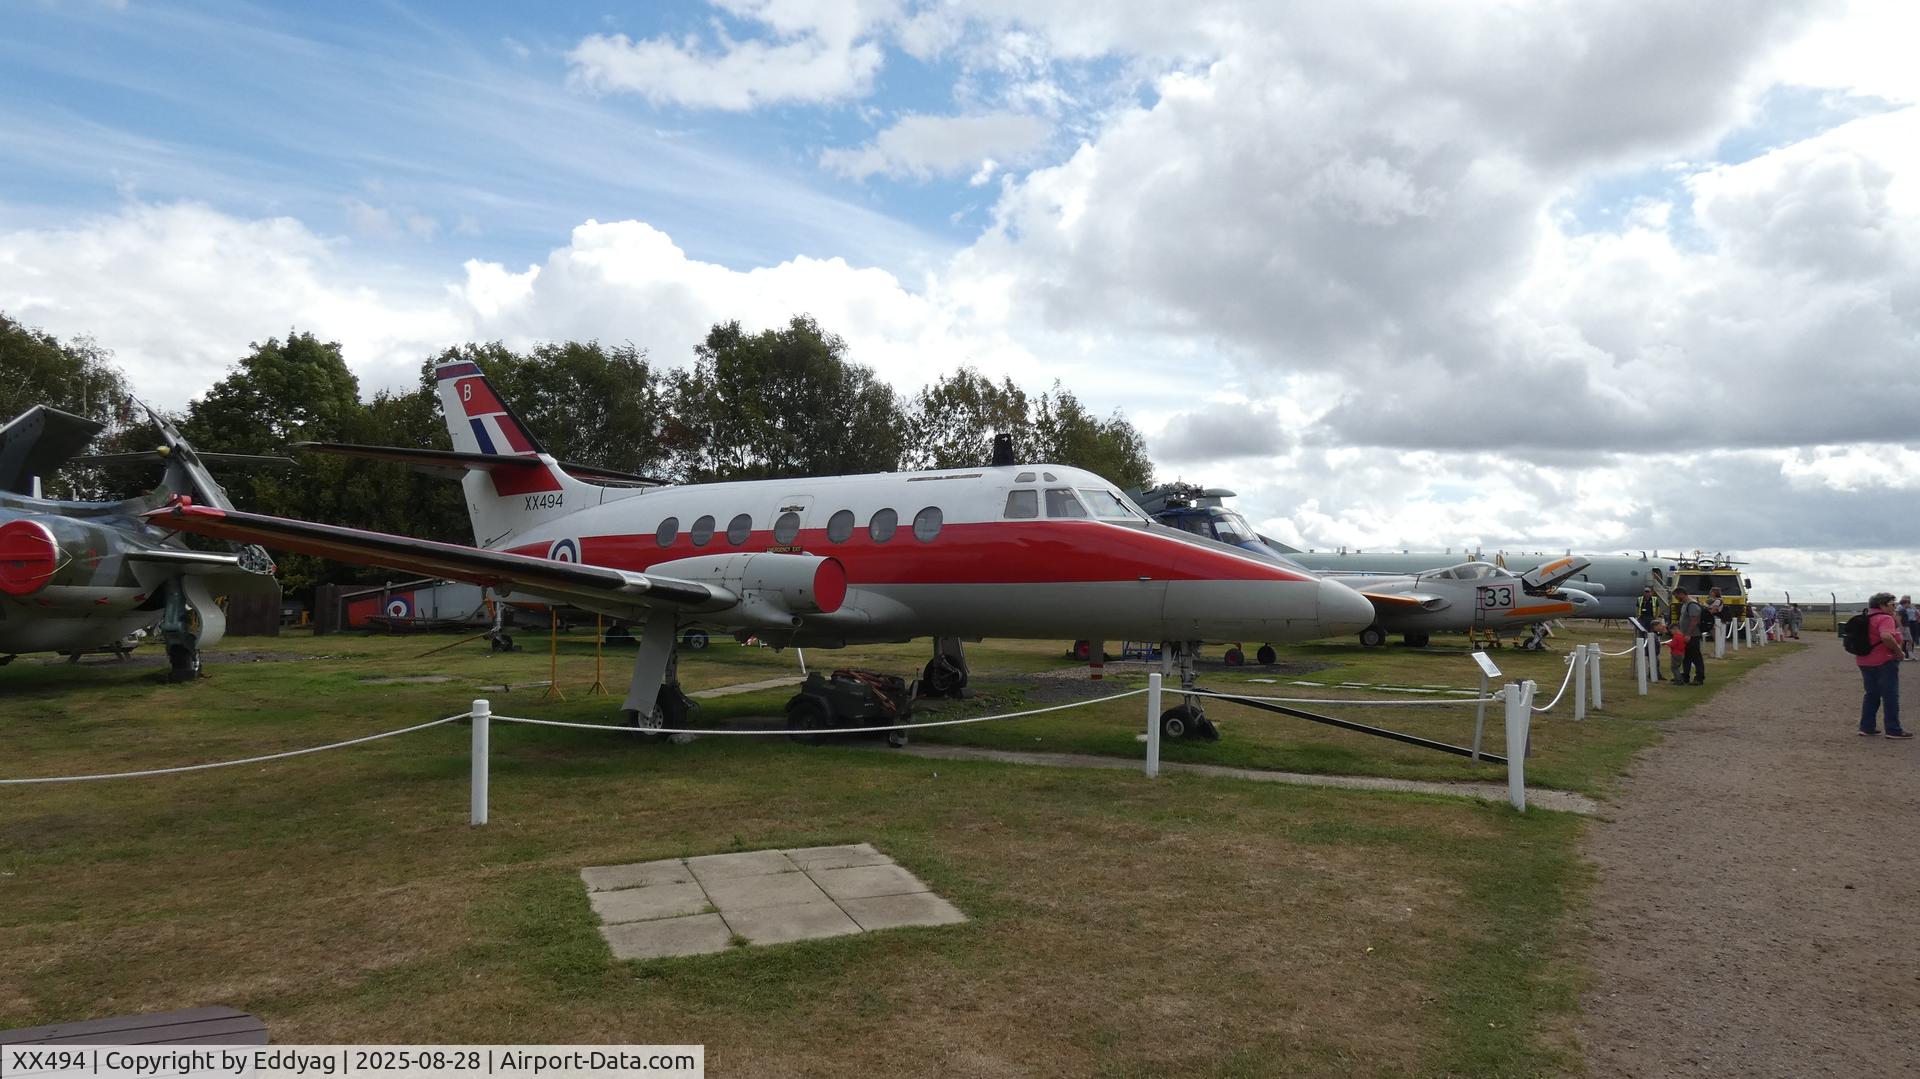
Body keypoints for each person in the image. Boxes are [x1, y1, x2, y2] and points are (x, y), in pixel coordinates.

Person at [1858, 592, 1909, 737]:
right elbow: (1886, 636)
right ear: (1882, 604)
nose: (1895, 607)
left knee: (1871, 694)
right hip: (1884, 660)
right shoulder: (1885, 618)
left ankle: (1866, 726)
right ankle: (1893, 729)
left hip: (1864, 660)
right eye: (1892, 604)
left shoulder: (1867, 617)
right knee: (1890, 694)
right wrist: (1898, 651)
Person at [1674, 587, 1706, 685]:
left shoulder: (1692, 605)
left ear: (1682, 594)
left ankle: (1699, 677)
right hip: (1685, 635)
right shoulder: (1685, 604)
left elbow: (1694, 620)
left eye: (1677, 596)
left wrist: (1688, 634)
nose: (1676, 598)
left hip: (1693, 635)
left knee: (1696, 657)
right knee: (1686, 657)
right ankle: (1685, 676)